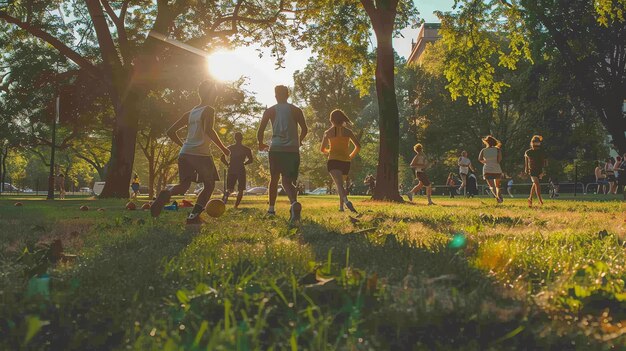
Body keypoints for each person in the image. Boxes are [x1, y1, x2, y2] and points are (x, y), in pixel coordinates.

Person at [151, 80, 230, 224]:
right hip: (201, 154)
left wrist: (184, 146)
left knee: (184, 185)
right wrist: (224, 149)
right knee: (209, 185)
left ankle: (166, 194)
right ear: (212, 94)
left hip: (185, 153)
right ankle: (193, 216)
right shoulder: (209, 110)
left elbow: (170, 131)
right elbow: (208, 130)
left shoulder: (190, 112)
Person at [257, 85, 308, 223]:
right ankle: (293, 204)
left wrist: (261, 143)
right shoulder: (296, 110)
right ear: (288, 95)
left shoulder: (270, 111)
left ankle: (271, 209)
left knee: (274, 179)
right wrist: (300, 141)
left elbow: (260, 130)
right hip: (292, 150)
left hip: (276, 149)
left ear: (275, 96)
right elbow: (305, 129)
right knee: (287, 181)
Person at [320, 109, 361, 212]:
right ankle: (341, 207)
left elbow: (322, 149)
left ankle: (347, 202)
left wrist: (329, 151)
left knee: (339, 184)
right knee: (340, 184)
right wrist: (350, 156)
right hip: (346, 162)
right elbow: (358, 146)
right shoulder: (348, 131)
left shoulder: (328, 132)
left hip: (333, 161)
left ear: (331, 120)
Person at [220, 132, 253, 208]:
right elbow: (251, 160)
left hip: (232, 168)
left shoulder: (230, 148)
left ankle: (222, 204)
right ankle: (235, 206)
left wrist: (227, 164)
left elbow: (222, 158)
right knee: (241, 189)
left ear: (235, 138)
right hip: (241, 169)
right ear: (242, 138)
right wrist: (244, 163)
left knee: (229, 189)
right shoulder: (246, 149)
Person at [478, 135, 503, 203]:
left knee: (491, 186)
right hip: (496, 168)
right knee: (497, 185)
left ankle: (497, 197)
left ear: (486, 142)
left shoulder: (483, 150)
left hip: (487, 169)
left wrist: (486, 162)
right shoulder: (498, 150)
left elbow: (480, 159)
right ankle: (499, 194)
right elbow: (499, 160)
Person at [524, 135, 547, 207]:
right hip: (532, 170)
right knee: (537, 183)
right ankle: (540, 200)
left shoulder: (541, 152)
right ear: (532, 143)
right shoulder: (528, 152)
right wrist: (526, 169)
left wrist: (544, 170)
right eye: (535, 143)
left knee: (535, 184)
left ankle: (530, 198)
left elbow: (544, 161)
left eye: (538, 143)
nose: (536, 145)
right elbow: (526, 162)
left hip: (539, 170)